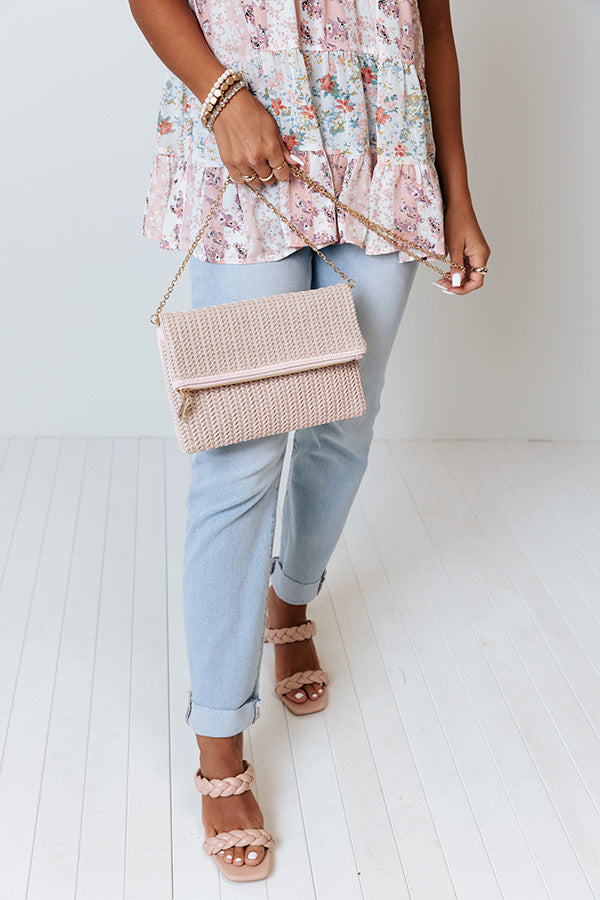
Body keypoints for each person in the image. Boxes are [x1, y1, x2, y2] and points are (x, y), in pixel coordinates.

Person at [129, 0, 490, 883]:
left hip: (384, 157)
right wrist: (221, 96)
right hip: (250, 144)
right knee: (239, 457)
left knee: (345, 423)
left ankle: (288, 604)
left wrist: (458, 195)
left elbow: (435, 29)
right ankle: (220, 742)